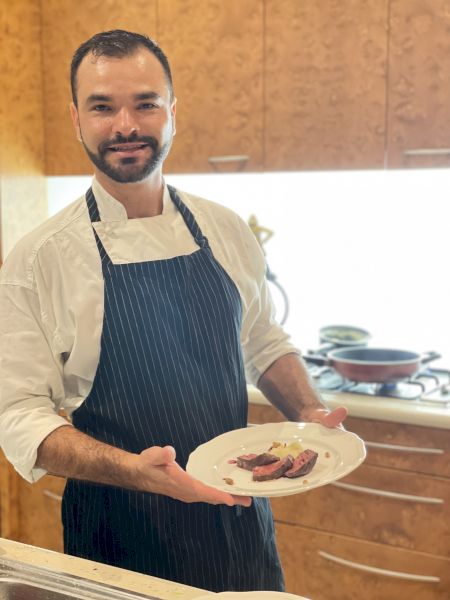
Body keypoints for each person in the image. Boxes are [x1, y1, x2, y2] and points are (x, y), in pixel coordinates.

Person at [0, 30, 347, 592]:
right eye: (102, 107)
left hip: (238, 516)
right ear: (76, 118)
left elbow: (262, 339)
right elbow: (18, 415)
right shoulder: (38, 260)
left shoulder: (226, 229)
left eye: (145, 103)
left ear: (172, 112)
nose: (126, 126)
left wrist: (310, 411)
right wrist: (135, 471)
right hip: (118, 533)